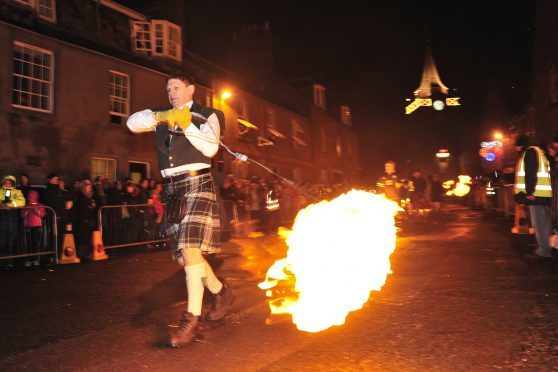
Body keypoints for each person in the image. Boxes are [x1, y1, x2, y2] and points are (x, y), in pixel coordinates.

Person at [126, 71, 234, 348]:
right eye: (168, 89)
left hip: (197, 182)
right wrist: (161, 117)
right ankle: (221, 292)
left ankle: (191, 319)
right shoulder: (162, 114)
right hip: (172, 189)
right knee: (185, 258)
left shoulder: (209, 114)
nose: (171, 92)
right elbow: (132, 123)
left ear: (190, 90)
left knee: (190, 250)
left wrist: (187, 125)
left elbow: (210, 149)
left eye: (176, 87)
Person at [513, 135, 553, 260]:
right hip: (542, 195)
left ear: (520, 145)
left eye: (517, 147)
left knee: (539, 224)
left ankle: (543, 250)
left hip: (536, 195)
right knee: (544, 223)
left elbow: (531, 173)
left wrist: (529, 192)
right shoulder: (538, 151)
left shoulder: (530, 152)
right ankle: (545, 248)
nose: (516, 150)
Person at [21, 190, 46, 267]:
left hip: (37, 226)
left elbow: (43, 215)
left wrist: (36, 210)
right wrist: (27, 210)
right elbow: (22, 215)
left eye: (33, 196)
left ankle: (36, 259)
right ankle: (29, 260)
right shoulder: (26, 206)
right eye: (30, 196)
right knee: (28, 243)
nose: (31, 198)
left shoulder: (40, 205)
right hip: (28, 226)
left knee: (36, 243)